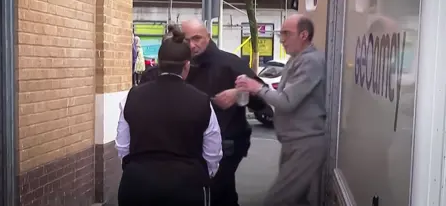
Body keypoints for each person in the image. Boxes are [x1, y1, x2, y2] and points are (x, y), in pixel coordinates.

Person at [115, 29, 223, 206]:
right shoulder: (202, 101)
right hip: (185, 187)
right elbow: (213, 153)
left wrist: (134, 170)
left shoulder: (132, 96)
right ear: (186, 65)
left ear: (159, 63)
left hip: (137, 185)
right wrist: (200, 175)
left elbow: (122, 146)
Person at [235, 14, 327, 206]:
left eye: (286, 33)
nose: (282, 39)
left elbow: (286, 101)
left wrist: (257, 87)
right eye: (281, 34)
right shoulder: (297, 59)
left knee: (278, 200)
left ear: (304, 35)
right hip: (294, 142)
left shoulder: (310, 61)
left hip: (305, 143)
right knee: (298, 200)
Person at [181, 19, 267, 206]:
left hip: (227, 143)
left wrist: (238, 94)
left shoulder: (229, 63)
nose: (192, 45)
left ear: (208, 37)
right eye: (187, 40)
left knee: (220, 192)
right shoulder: (183, 65)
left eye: (197, 38)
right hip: (194, 144)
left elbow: (263, 95)